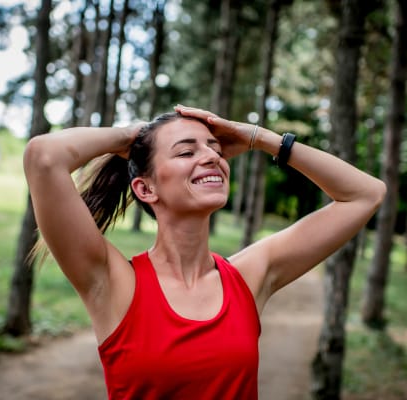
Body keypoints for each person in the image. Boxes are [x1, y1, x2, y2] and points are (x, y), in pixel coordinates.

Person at [24, 105, 386, 399]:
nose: (212, 157)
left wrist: (262, 139)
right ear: (145, 188)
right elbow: (43, 156)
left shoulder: (249, 276)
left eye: (215, 148)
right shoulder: (112, 282)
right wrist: (133, 135)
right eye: (186, 151)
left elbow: (365, 194)